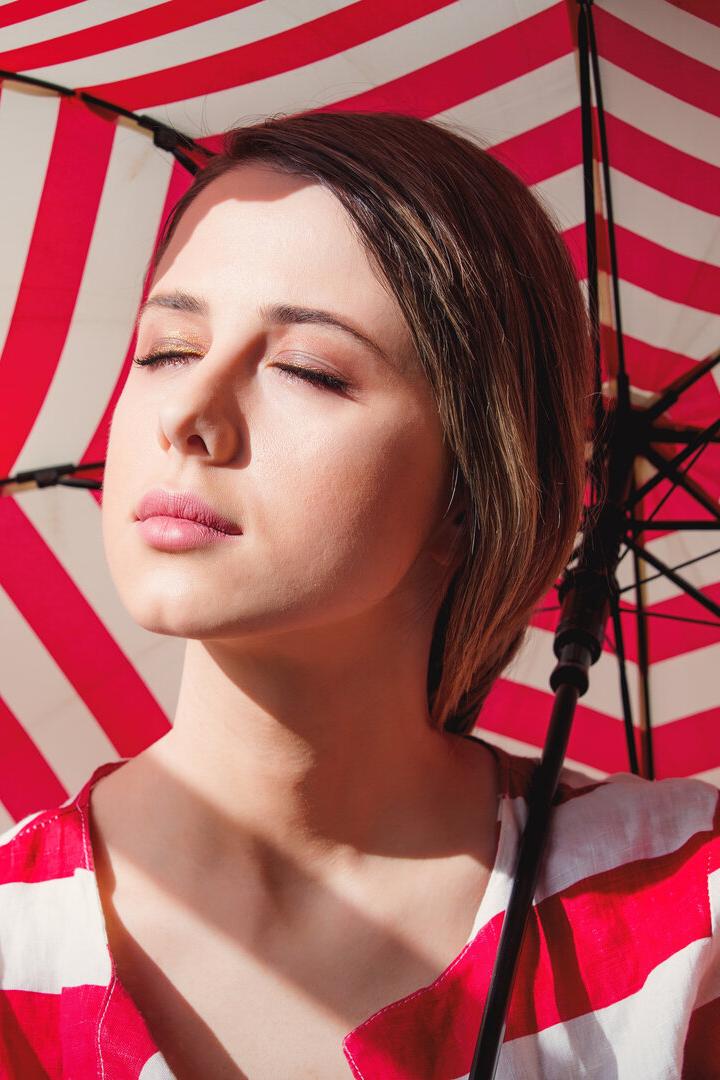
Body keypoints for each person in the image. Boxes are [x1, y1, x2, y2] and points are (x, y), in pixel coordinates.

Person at [1, 111, 717, 1080]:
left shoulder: (682, 916)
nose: (191, 416)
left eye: (308, 369)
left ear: (471, 488)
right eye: (167, 347)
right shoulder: (16, 945)